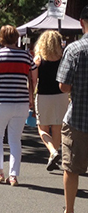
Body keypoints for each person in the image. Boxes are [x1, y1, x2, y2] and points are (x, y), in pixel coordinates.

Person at [0, 25, 37, 186]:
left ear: (1, 38)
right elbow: (33, 79)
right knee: (15, 139)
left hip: (1, 102)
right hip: (21, 103)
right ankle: (13, 175)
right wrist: (31, 98)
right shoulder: (26, 56)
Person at [55, 5, 88, 213]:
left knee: (72, 168)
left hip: (79, 118)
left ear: (82, 22)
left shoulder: (75, 49)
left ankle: (69, 212)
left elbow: (64, 86)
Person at [33, 30, 68, 172]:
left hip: (44, 96)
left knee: (42, 128)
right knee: (57, 128)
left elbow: (34, 81)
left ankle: (52, 151)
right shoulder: (63, 58)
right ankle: (51, 157)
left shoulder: (38, 59)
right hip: (61, 96)